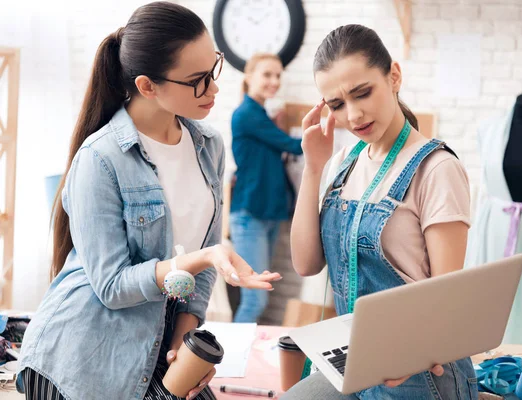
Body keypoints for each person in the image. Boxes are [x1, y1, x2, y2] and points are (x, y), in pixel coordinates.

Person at [16, 3, 280, 400]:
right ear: (147, 86)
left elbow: (206, 259)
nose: (214, 89)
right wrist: (203, 258)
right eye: (197, 80)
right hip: (83, 358)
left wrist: (184, 339)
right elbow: (112, 286)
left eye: (214, 69)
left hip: (159, 342)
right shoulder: (100, 159)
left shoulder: (209, 145)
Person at [286, 24, 478, 399]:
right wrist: (313, 168)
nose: (354, 115)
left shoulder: (436, 169)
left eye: (362, 93)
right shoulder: (344, 162)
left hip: (416, 372)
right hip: (357, 361)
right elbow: (306, 264)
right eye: (337, 104)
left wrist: (407, 354)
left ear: (393, 76)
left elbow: (445, 302)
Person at [229, 53, 302, 323]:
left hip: (266, 214)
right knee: (255, 299)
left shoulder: (260, 115)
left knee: (260, 297)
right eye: (267, 74)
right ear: (249, 77)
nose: (274, 81)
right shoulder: (247, 113)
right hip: (250, 216)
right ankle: (229, 363)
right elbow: (292, 145)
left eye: (278, 76)